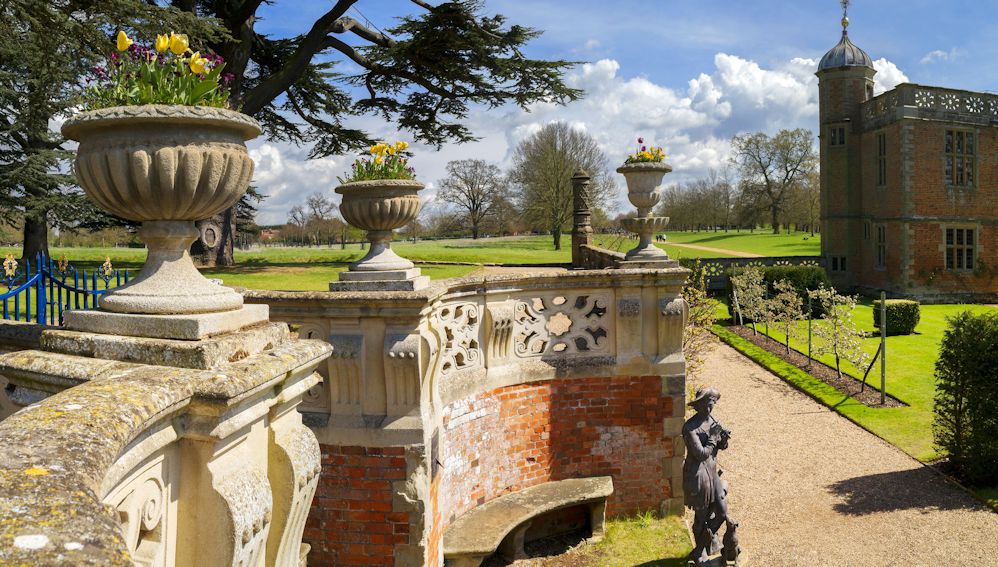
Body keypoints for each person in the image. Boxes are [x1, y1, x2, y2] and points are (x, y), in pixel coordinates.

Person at [683, 387, 740, 566]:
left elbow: (719, 448)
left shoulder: (713, 422)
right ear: (699, 405)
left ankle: (703, 543)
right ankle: (700, 550)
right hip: (698, 475)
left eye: (713, 404)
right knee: (701, 515)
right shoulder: (690, 427)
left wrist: (723, 439)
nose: (711, 408)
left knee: (722, 512)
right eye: (708, 404)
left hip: (712, 473)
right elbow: (700, 454)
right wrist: (714, 437)